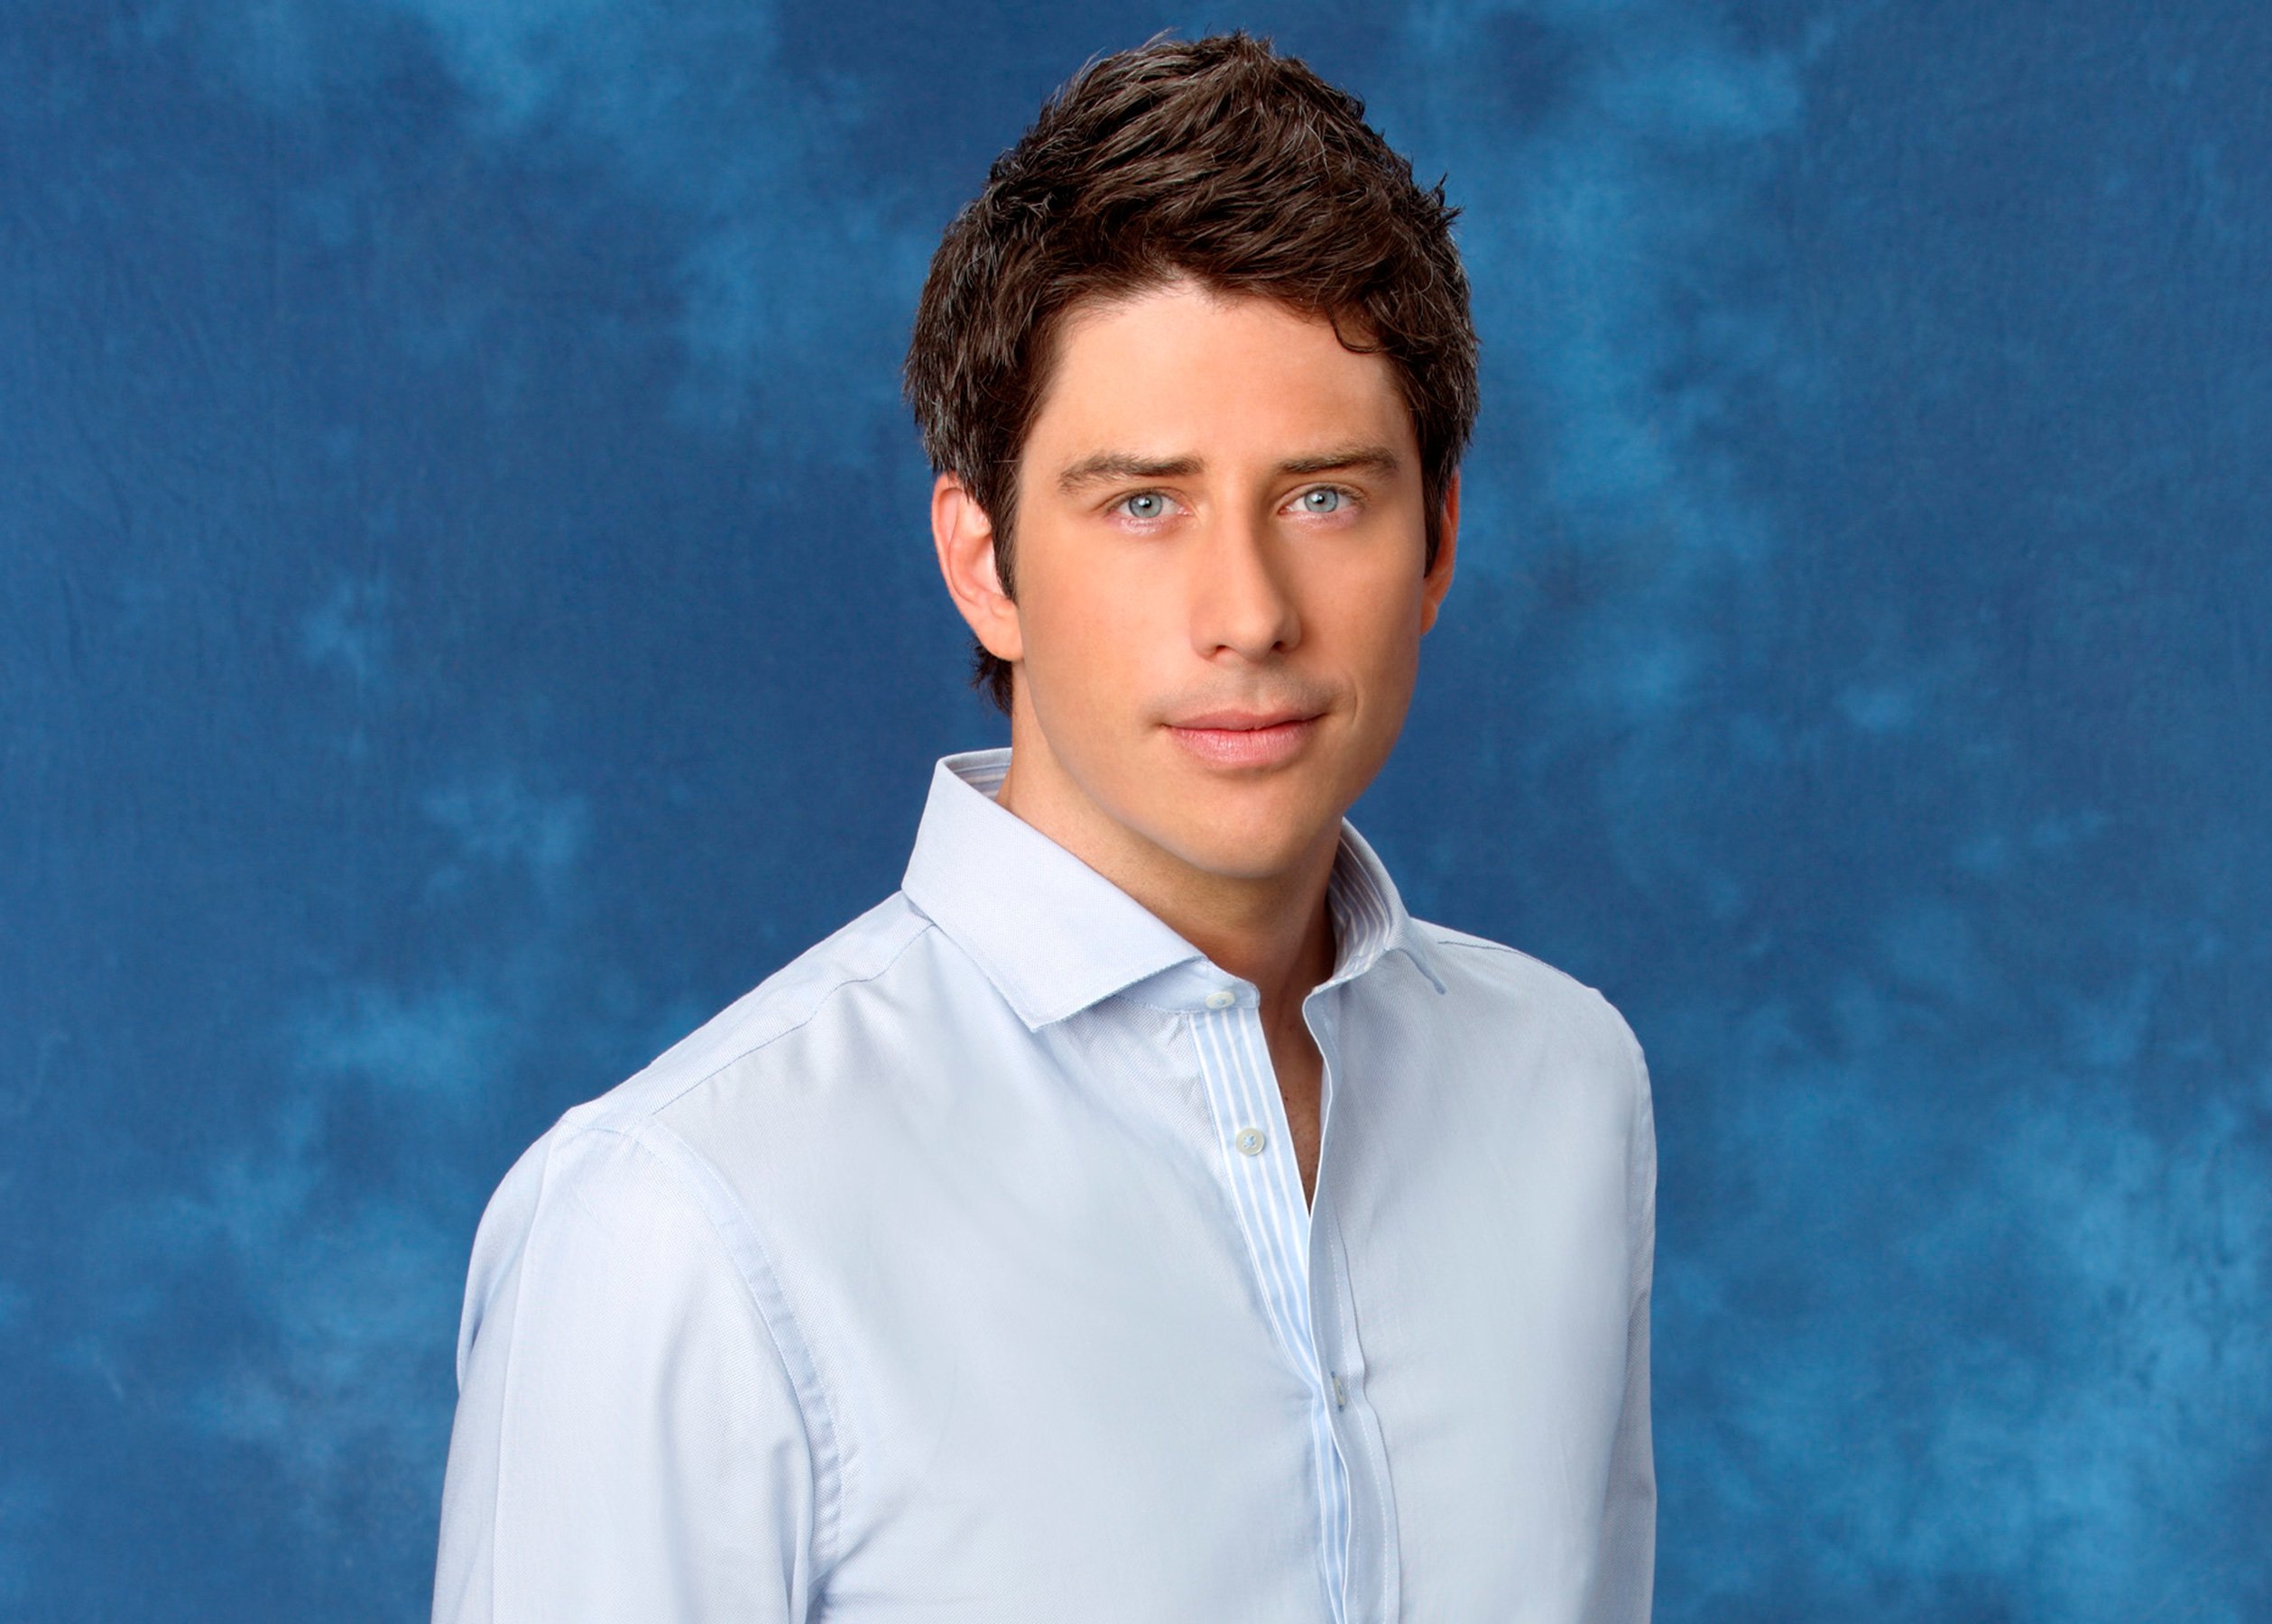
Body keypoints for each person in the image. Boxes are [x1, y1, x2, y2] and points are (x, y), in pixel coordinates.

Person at [431, 32, 1655, 1624]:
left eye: (1325, 496)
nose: (1247, 614)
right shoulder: (673, 1225)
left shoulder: (1568, 1091)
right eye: (1142, 502)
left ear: (1437, 544)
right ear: (984, 562)